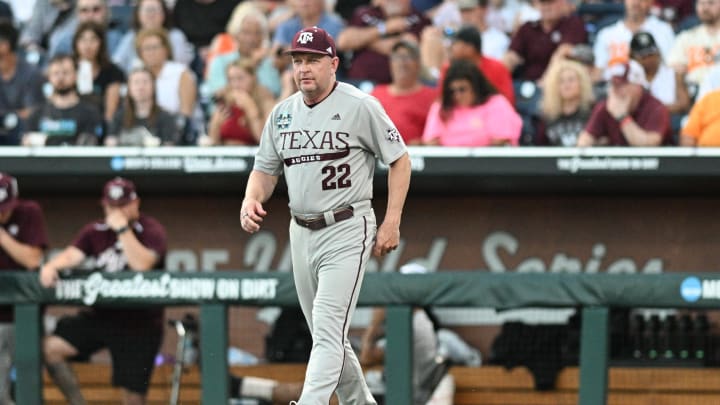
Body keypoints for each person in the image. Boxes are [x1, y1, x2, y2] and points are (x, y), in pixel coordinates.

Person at [240, 27, 411, 404]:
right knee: (327, 335)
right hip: (300, 229)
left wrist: (392, 219)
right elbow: (265, 170)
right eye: (298, 60)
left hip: (348, 224)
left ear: (333, 63)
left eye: (313, 60)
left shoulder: (360, 104)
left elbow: (400, 160)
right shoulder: (282, 114)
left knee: (328, 327)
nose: (304, 68)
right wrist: (251, 198)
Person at [40, 177, 167, 405]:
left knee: (133, 397)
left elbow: (142, 264)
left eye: (122, 205)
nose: (115, 211)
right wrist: (52, 265)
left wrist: (122, 229)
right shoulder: (95, 231)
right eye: (111, 206)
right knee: (51, 348)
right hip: (102, 315)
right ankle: (78, 402)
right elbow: (72, 255)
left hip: (140, 322)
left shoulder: (150, 229)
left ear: (135, 203)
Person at [359, 263, 453, 405]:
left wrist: (374, 324)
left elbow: (366, 357)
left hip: (410, 399)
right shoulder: (416, 319)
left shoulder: (414, 323)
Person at [0, 173, 48, 405]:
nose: (1, 213)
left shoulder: (28, 212)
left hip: (20, 318)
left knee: (23, 387)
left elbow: (32, 260)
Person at [423, 59, 522, 146]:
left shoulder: (496, 103)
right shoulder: (441, 107)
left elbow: (500, 141)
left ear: (476, 86)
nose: (457, 95)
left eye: (462, 89)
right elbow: (431, 142)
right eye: (452, 91)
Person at [577, 60, 671, 146]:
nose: (616, 90)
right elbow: (583, 142)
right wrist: (599, 142)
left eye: (621, 85)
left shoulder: (656, 108)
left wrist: (623, 118)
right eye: (613, 84)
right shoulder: (606, 106)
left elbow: (648, 146)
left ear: (638, 86)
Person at [337, 0, 432, 85]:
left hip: (396, 87)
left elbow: (408, 48)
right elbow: (343, 41)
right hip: (359, 83)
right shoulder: (365, 14)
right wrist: (385, 28)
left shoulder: (419, 20)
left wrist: (365, 42)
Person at [204, 2, 281, 99]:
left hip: (262, 112)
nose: (252, 39)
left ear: (262, 38)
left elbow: (272, 93)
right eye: (246, 32)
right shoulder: (220, 61)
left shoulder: (267, 62)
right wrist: (252, 64)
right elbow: (218, 94)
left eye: (257, 33)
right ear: (236, 35)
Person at [25, 54, 104, 146]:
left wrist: (46, 141)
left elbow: (89, 143)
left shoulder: (90, 113)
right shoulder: (37, 113)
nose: (60, 77)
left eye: (66, 72)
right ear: (49, 77)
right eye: (56, 73)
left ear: (76, 75)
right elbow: (27, 141)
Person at [502, 0, 587, 83]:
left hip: (558, 85)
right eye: (543, 3)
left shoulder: (572, 23)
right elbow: (511, 55)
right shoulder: (528, 28)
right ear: (536, 4)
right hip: (527, 84)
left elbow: (563, 52)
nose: (546, 7)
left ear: (561, 2)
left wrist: (545, 82)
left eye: (550, 2)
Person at [371, 40, 436, 145]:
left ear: (418, 63)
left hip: (417, 156)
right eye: (396, 58)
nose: (402, 63)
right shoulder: (376, 94)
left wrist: (422, 143)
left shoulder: (432, 96)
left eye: (407, 57)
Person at [592, 0, 675, 74]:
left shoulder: (664, 30)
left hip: (654, 88)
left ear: (651, 2)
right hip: (615, 87)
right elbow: (598, 70)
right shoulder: (606, 34)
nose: (636, 3)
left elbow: (671, 67)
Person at [112, 0, 194, 74]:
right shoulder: (131, 37)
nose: (151, 14)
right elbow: (117, 64)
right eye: (147, 10)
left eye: (155, 10)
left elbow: (182, 67)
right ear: (138, 14)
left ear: (164, 14)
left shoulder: (175, 36)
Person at [207, 59, 275, 146]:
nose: (235, 85)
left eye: (240, 78)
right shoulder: (226, 102)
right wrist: (215, 125)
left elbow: (264, 141)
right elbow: (213, 142)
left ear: (253, 78)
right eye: (231, 79)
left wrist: (250, 108)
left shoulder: (265, 100)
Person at [442, 25, 514, 104]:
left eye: (455, 44)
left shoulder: (496, 68)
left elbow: (508, 99)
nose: (452, 47)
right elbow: (442, 99)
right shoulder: (449, 68)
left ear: (470, 47)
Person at [135, 28, 197, 120]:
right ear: (140, 53)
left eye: (155, 47)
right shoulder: (137, 75)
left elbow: (186, 114)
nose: (151, 52)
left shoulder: (181, 73)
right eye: (146, 48)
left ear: (166, 49)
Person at [107, 67, 179, 146]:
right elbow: (111, 145)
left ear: (154, 86)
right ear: (129, 88)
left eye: (145, 82)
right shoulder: (119, 116)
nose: (141, 87)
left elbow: (169, 150)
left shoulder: (166, 117)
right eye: (136, 82)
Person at [0, 19, 45, 145]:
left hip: (24, 135)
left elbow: (32, 112)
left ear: (5, 45)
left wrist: (7, 117)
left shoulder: (30, 73)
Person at [72, 21, 126, 123]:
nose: (88, 45)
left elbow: (110, 113)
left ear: (101, 43)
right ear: (76, 43)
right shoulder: (68, 68)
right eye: (83, 40)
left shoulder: (113, 72)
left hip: (100, 123)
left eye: (93, 40)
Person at [535, 59, 595, 146]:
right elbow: (539, 147)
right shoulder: (547, 116)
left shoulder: (592, 112)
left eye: (571, 80)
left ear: (582, 83)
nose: (566, 85)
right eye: (561, 81)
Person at [629, 32, 689, 116]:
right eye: (643, 56)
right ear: (633, 57)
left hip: (669, 120)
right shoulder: (629, 78)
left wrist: (653, 110)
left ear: (658, 52)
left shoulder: (673, 74)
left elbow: (684, 105)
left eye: (651, 53)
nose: (648, 59)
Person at [667, 0, 720, 89]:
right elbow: (674, 67)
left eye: (711, 3)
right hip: (692, 91)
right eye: (701, 3)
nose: (705, 8)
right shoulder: (686, 37)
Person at [54, 0, 125, 58]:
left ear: (107, 12)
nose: (90, 15)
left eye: (96, 10)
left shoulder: (118, 41)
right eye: (84, 10)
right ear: (77, 14)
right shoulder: (65, 42)